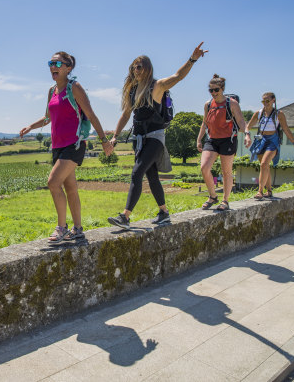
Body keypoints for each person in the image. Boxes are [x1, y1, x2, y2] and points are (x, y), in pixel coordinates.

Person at [107, 42, 208, 230]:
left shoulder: (157, 86)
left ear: (147, 68)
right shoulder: (132, 91)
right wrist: (115, 136)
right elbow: (126, 115)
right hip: (139, 140)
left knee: (137, 173)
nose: (135, 70)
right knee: (152, 177)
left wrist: (192, 59)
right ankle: (164, 212)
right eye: (133, 67)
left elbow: (178, 77)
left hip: (155, 138)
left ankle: (125, 217)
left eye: (139, 67)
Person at [20, 51, 113, 243]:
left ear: (68, 68)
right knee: (70, 187)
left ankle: (61, 228)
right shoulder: (51, 90)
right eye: (50, 63)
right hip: (58, 146)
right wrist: (31, 126)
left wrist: (104, 140)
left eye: (57, 63)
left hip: (74, 144)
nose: (52, 67)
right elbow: (47, 117)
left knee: (53, 182)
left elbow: (91, 114)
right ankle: (77, 229)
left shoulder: (74, 87)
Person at [197, 75, 250, 211]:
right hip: (212, 139)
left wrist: (247, 134)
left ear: (222, 89)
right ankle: (213, 196)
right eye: (211, 90)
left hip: (228, 139)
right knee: (204, 167)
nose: (213, 93)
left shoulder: (231, 104)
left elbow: (241, 122)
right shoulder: (208, 104)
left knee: (226, 172)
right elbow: (205, 122)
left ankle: (225, 200)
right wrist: (199, 139)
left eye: (216, 90)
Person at [246, 92, 294, 199]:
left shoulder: (278, 114)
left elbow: (286, 129)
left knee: (264, 164)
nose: (265, 103)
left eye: (267, 101)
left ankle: (260, 191)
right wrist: (247, 136)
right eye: (263, 101)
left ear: (273, 101)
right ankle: (269, 190)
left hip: (273, 141)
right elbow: (248, 126)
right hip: (261, 141)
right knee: (265, 166)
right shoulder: (259, 113)